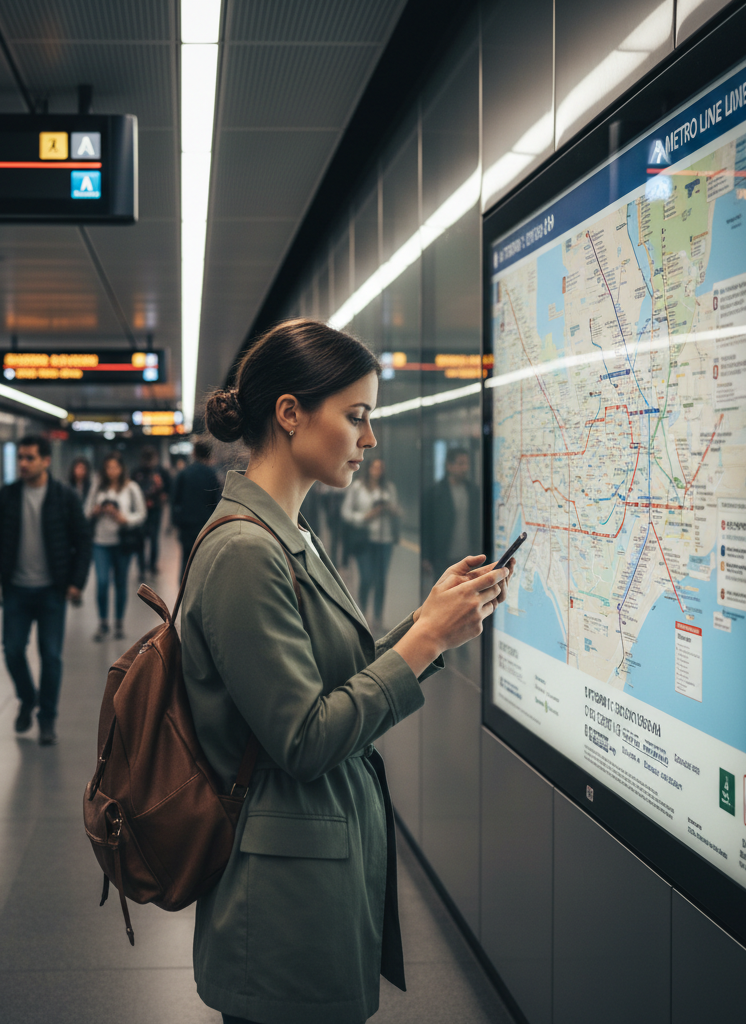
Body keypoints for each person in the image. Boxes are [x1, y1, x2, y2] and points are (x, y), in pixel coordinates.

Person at [183, 318, 513, 1024]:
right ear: (291, 413)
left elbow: (335, 675)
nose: (369, 440)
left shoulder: (287, 532)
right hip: (279, 898)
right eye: (356, 417)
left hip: (311, 870)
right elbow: (303, 736)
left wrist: (429, 622)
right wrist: (423, 643)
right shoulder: (246, 551)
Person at [0, 435, 91, 745]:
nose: (23, 464)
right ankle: (28, 697)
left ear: (45, 460)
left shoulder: (64, 497)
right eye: (20, 458)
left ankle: (47, 719)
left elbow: (82, 541)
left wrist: (75, 582)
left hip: (51, 591)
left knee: (51, 656)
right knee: (13, 650)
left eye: (29, 458)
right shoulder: (6, 497)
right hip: (15, 589)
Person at [84, 452, 146, 640]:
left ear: (121, 469)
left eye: (115, 467)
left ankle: (119, 622)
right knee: (102, 583)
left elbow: (142, 514)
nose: (112, 471)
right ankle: (103, 622)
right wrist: (96, 511)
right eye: (108, 467)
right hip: (101, 542)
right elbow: (85, 511)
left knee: (120, 583)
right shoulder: (97, 487)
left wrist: (124, 519)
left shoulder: (131, 488)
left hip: (122, 544)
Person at [341, 458, 401, 630]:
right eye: (374, 467)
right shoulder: (357, 487)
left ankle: (377, 617)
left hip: (385, 539)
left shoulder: (389, 488)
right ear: (368, 469)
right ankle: (362, 612)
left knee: (381, 579)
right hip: (365, 539)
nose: (377, 470)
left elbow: (396, 509)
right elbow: (346, 512)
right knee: (367, 577)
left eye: (380, 467)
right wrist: (365, 517)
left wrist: (391, 509)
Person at [421, 448, 480, 585]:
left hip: (468, 557)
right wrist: (426, 557)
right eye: (460, 464)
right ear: (449, 466)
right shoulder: (435, 493)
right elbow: (427, 526)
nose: (465, 468)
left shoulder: (473, 491)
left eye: (466, 464)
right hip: (443, 557)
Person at [170, 437, 222, 580]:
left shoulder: (184, 473)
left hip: (186, 526)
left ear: (194, 453)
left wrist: (176, 522)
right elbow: (216, 502)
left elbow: (174, 500)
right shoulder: (212, 475)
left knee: (186, 560)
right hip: (205, 526)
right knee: (204, 562)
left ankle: (183, 595)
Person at [131, 446, 168, 579]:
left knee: (154, 539)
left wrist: (164, 495)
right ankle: (141, 568)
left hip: (155, 510)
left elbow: (169, 487)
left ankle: (152, 565)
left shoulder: (160, 472)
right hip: (140, 510)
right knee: (140, 540)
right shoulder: (137, 472)